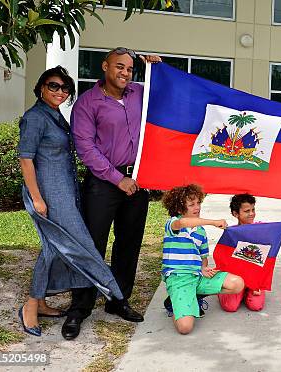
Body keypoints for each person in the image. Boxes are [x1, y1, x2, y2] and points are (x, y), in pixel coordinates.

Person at [17, 66, 123, 337]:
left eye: (65, 88)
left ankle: (40, 301)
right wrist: (37, 199)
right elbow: (25, 159)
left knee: (52, 246)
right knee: (65, 244)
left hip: (65, 192)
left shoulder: (54, 116)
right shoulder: (35, 117)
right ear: (41, 87)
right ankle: (31, 305)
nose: (60, 92)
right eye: (54, 86)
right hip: (49, 194)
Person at [66, 48, 161, 340]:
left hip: (138, 179)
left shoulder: (139, 94)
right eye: (120, 67)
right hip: (103, 183)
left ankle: (118, 300)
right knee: (91, 245)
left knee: (128, 243)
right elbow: (86, 149)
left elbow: (166, 94)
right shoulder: (87, 103)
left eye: (130, 69)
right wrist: (118, 179)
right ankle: (79, 308)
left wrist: (158, 69)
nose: (125, 73)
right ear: (106, 66)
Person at [161, 184, 245, 334]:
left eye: (198, 203)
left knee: (237, 284)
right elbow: (184, 222)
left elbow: (203, 257)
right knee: (185, 328)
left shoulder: (201, 231)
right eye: (191, 204)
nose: (197, 207)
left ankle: (193, 297)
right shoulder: (173, 223)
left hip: (197, 277)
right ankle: (175, 303)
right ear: (180, 208)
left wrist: (203, 268)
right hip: (179, 279)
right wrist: (213, 222)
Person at [218, 194, 281, 312]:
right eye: (247, 211)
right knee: (230, 306)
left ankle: (246, 291)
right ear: (235, 214)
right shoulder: (232, 233)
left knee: (256, 306)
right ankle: (222, 290)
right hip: (236, 278)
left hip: (255, 278)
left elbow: (275, 231)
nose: (251, 213)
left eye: (253, 209)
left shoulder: (261, 228)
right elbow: (225, 259)